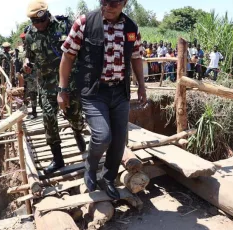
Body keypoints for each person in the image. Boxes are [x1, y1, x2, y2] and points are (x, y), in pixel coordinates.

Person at [58, 0, 147, 199]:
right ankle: (90, 166)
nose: (106, 6)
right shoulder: (85, 23)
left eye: (112, 2)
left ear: (124, 3)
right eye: (102, 1)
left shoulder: (131, 28)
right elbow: (68, 56)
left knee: (118, 141)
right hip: (94, 92)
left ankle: (108, 178)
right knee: (102, 135)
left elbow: (136, 57)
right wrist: (62, 89)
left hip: (120, 92)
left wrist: (141, 86)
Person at [24, 0, 86, 175]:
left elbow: (80, 50)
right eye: (34, 22)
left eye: (41, 20)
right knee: (49, 118)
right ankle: (57, 159)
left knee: (74, 115)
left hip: (69, 83)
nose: (38, 25)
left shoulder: (64, 26)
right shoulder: (30, 35)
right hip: (46, 84)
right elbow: (29, 57)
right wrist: (27, 63)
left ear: (47, 15)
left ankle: (77, 131)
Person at [19, 32, 38, 119]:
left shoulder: (33, 48)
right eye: (23, 40)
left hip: (32, 75)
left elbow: (36, 62)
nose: (24, 42)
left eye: (25, 40)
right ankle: (26, 111)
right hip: (25, 76)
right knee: (25, 93)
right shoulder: (23, 50)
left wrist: (30, 65)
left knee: (32, 93)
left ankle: (34, 112)